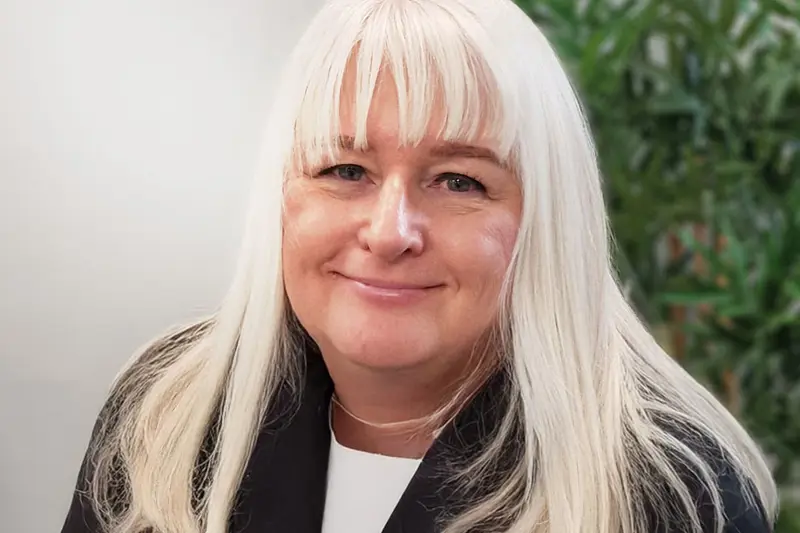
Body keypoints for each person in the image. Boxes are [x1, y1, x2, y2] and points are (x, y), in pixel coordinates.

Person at [60, 0, 779, 532]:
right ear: (280, 196)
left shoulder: (676, 495)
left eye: (460, 181)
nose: (389, 232)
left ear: (548, 220)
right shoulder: (167, 412)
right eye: (345, 170)